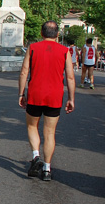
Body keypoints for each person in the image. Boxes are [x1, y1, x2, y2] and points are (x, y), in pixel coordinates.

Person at [19, 21, 75, 181]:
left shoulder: (33, 47)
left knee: (32, 126)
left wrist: (21, 93)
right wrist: (71, 98)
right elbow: (70, 76)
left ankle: (36, 156)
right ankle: (47, 169)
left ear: (42, 33)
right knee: (50, 132)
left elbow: (24, 71)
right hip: (55, 95)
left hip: (35, 93)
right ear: (57, 34)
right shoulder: (65, 51)